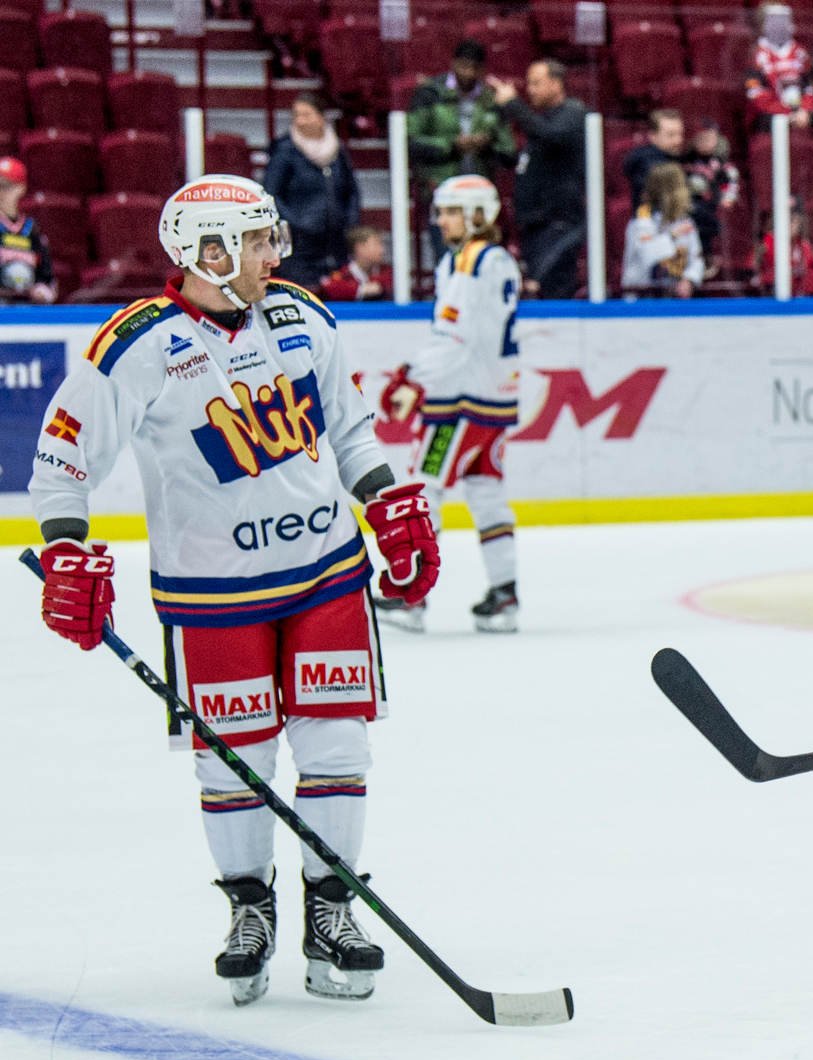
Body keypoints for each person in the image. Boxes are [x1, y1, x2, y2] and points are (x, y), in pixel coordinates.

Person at [26, 174, 439, 1006]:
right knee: (235, 761)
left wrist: (387, 501)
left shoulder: (304, 317)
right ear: (205, 252)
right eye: (254, 241)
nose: (271, 254)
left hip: (325, 574)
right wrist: (67, 551)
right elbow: (61, 464)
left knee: (336, 748)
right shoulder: (135, 345)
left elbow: (350, 429)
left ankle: (333, 909)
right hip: (212, 592)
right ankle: (250, 909)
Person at [376, 176, 523, 633]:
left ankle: (412, 598)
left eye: (449, 211)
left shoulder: (472, 261)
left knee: (423, 490)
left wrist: (412, 376)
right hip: (492, 401)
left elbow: (455, 337)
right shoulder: (492, 260)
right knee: (487, 496)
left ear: (478, 214)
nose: (440, 220)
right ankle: (504, 594)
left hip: (457, 402)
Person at [492, 59, 587, 300]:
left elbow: (551, 136)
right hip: (535, 223)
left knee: (551, 288)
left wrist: (514, 104)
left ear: (556, 84)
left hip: (557, 223)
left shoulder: (572, 113)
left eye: (536, 83)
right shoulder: (542, 119)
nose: (530, 90)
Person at [261, 93, 360, 288]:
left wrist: (349, 221)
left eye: (307, 114)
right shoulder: (284, 150)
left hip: (335, 242)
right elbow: (270, 194)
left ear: (322, 116)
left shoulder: (337, 150)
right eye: (296, 115)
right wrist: (297, 224)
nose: (300, 120)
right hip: (299, 247)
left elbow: (352, 191)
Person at [406, 39, 517, 193]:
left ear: (482, 69)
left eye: (475, 68)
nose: (469, 73)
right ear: (453, 63)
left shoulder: (492, 100)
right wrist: (451, 146)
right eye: (464, 66)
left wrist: (487, 146)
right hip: (438, 186)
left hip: (479, 188)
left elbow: (509, 153)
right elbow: (410, 142)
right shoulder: (430, 94)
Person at [622, 163, 706, 298]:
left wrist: (689, 280)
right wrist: (672, 236)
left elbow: (696, 259)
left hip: (676, 301)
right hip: (642, 302)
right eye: (681, 187)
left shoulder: (685, 222)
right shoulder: (642, 221)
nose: (685, 192)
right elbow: (648, 255)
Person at [745, 3, 813, 132]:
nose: (780, 26)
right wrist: (786, 112)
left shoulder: (801, 53)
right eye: (775, 21)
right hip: (770, 117)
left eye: (784, 20)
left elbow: (812, 85)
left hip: (802, 114)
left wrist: (805, 109)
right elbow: (755, 92)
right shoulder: (755, 56)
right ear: (763, 25)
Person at [682, 120, 742, 261]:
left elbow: (731, 181)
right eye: (702, 139)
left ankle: (708, 256)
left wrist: (728, 197)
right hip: (691, 206)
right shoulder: (687, 162)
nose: (706, 143)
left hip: (712, 205)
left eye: (710, 140)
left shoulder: (720, 164)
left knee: (710, 227)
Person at [0, 156, 57, 303]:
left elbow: (47, 278)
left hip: (28, 312)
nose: (1, 192)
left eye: (6, 186)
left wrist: (42, 292)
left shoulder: (32, 230)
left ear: (21, 188)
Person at [754, 200, 813, 295]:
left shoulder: (802, 244)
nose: (790, 225)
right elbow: (756, 268)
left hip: (801, 295)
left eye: (794, 221)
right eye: (787, 219)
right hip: (776, 293)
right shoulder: (767, 242)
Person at [622, 108, 689, 215]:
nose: (678, 140)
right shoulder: (648, 165)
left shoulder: (679, 158)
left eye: (680, 134)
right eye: (671, 135)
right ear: (653, 136)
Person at [319, 226, 393, 302]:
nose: (382, 250)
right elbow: (329, 288)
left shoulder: (388, 271)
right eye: (376, 244)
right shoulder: (344, 274)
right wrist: (361, 290)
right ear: (360, 248)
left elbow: (390, 284)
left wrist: (380, 287)